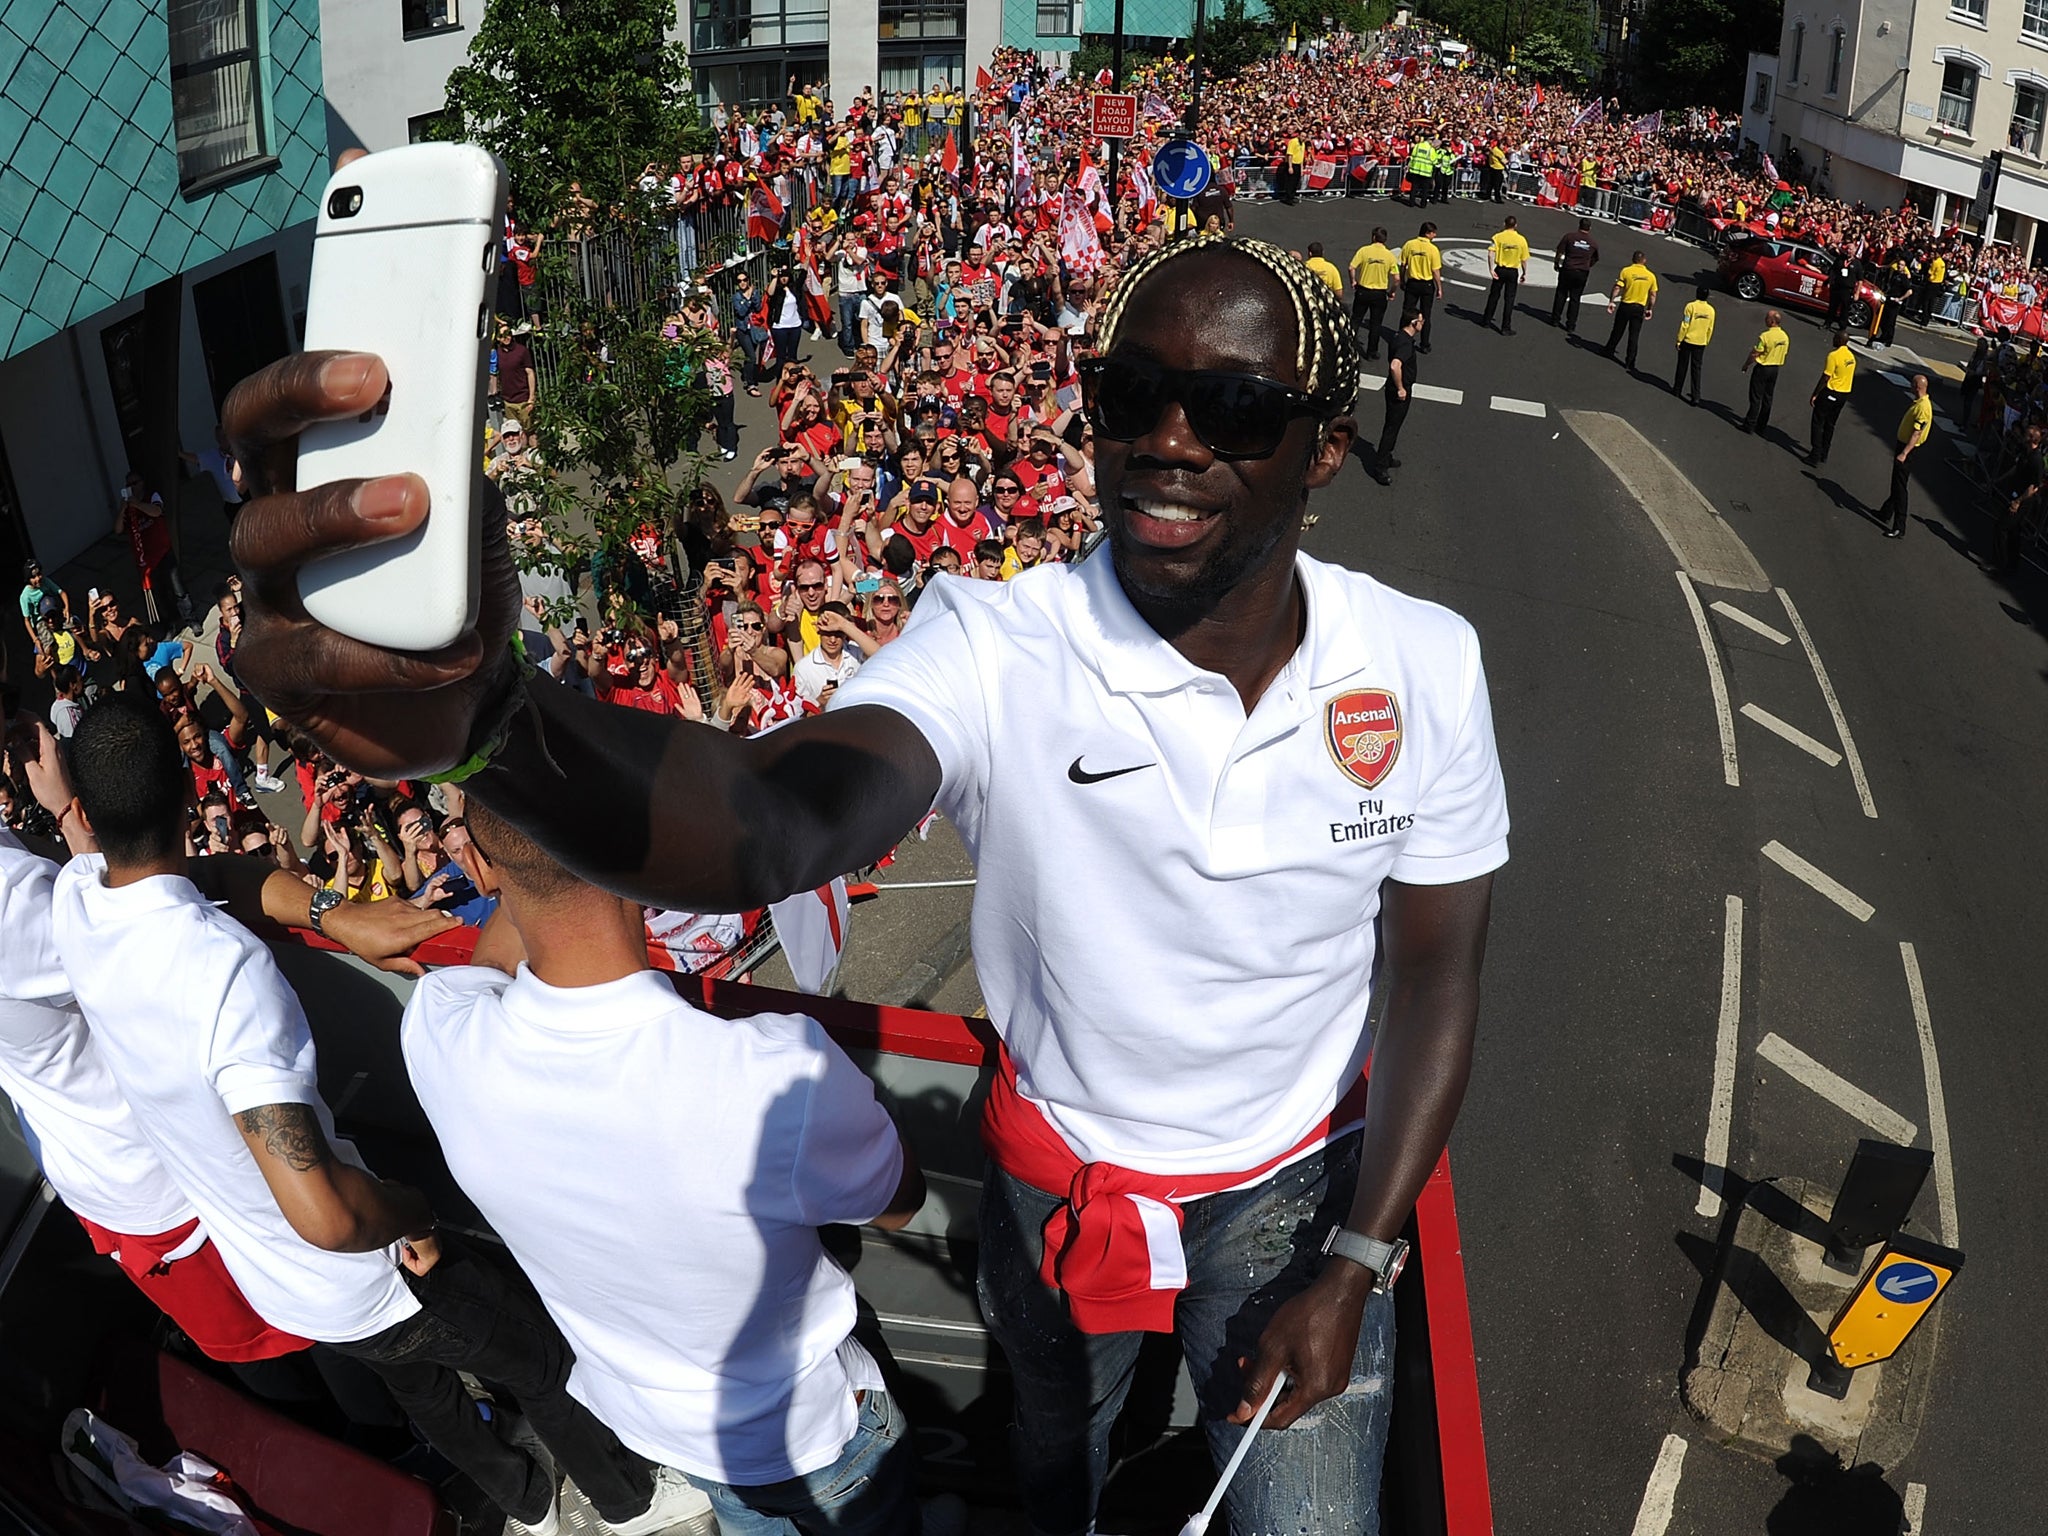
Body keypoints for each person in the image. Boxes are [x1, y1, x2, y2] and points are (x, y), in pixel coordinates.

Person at [225, 233, 1509, 1536]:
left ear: (1325, 447)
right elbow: (775, 820)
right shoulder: (992, 643)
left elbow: (1437, 970)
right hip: (1052, 1181)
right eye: (1129, 397)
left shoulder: (1423, 668)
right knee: (1054, 1445)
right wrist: (491, 724)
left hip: (1300, 1195)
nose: (1169, 441)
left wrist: (1359, 1255)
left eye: (1232, 409)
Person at [50, 702, 706, 1536]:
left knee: (425, 1395)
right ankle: (630, 1502)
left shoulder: (77, 898)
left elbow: (205, 882)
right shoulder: (221, 974)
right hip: (366, 1267)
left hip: (283, 1284)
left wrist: (329, 910)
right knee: (537, 1357)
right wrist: (415, 1212)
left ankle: (527, 1502)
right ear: (189, 794)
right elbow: (325, 1214)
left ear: (85, 813)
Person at [399, 803, 926, 1533]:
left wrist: (513, 870)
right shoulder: (773, 1068)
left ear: (481, 869)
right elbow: (900, 1201)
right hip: (818, 1427)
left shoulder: (438, 1032)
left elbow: (483, 969)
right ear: (647, 858)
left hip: (656, 1425)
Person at [1370, 306, 1423, 489]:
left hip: (1393, 388)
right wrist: (1401, 388)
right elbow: (1395, 366)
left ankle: (1386, 455)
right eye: (1421, 321)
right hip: (1399, 390)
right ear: (1414, 323)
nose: (1422, 324)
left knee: (1392, 425)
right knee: (1392, 427)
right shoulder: (1405, 344)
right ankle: (1380, 466)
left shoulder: (1398, 337)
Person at [1879, 374, 1933, 539]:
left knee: (1900, 487)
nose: (1910, 386)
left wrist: (1904, 452)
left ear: (1917, 386)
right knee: (1897, 483)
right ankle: (1885, 512)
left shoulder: (1923, 407)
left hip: (1907, 450)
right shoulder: (1920, 403)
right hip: (1904, 447)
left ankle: (1899, 526)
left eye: (1912, 384)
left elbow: (1917, 433)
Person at [1348, 227, 1399, 361]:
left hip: (1363, 291)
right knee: (1376, 324)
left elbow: (1351, 267)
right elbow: (1397, 279)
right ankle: (1372, 352)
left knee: (1356, 319)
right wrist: (1392, 292)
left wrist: (1353, 281)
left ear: (1373, 237)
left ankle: (1348, 346)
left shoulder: (1364, 251)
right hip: (1379, 294)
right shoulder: (1389, 256)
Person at [1808, 329, 1855, 467]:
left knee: (1818, 423)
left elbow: (1826, 377)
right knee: (1830, 424)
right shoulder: (1851, 357)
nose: (1833, 340)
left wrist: (1815, 393)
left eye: (1835, 338)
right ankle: (1824, 453)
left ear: (1840, 340)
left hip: (1831, 392)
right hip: (1844, 395)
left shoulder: (1833, 356)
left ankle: (1814, 454)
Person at [1602, 251, 1657, 369]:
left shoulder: (1626, 271)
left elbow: (1618, 287)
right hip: (1639, 308)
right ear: (1644, 261)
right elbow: (1652, 295)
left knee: (1617, 330)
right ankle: (1630, 362)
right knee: (1634, 335)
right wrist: (1650, 309)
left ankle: (1609, 350)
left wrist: (1611, 301)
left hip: (1626, 305)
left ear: (1633, 259)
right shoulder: (1651, 276)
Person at [1740, 310, 1791, 435]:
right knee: (1768, 398)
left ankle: (1749, 424)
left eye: (1767, 318)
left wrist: (1746, 365)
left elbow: (1755, 353)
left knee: (1756, 397)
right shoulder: (1785, 337)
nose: (1765, 320)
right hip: (1775, 369)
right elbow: (1784, 353)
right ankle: (1761, 425)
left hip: (1763, 368)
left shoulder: (1765, 336)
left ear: (1772, 321)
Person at [1480, 215, 1528, 335]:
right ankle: (1505, 327)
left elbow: (1490, 254)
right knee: (1509, 299)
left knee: (1494, 295)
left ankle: (1486, 320)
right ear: (1515, 225)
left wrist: (1491, 269)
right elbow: (1523, 259)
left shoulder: (1498, 237)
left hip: (1500, 269)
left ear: (1504, 224)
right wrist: (1524, 273)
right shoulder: (1521, 240)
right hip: (1512, 271)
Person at [1398, 221, 1442, 353]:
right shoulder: (1433, 249)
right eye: (1433, 232)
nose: (1435, 235)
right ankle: (1424, 344)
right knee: (1426, 315)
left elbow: (1403, 264)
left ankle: (1402, 337)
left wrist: (1402, 279)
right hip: (1427, 285)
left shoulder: (1410, 244)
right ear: (1428, 233)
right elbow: (1435, 271)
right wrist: (1439, 287)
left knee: (1407, 312)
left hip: (1412, 283)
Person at [1552, 219, 1599, 333]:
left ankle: (1555, 319)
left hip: (1568, 269)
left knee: (1561, 294)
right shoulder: (1593, 243)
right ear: (1589, 228)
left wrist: (1557, 263)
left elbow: (1560, 251)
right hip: (1582, 272)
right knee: (1575, 298)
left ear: (1579, 226)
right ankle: (1571, 325)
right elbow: (1595, 258)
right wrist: (1587, 265)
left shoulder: (1569, 237)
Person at [1672, 285, 1715, 405]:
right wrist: (1706, 340)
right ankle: (1696, 396)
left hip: (1688, 340)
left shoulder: (1691, 306)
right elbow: (1710, 328)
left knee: (1682, 365)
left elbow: (1685, 324)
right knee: (1696, 369)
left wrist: (1679, 339)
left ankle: (1677, 389)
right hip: (1700, 342)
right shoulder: (1711, 310)